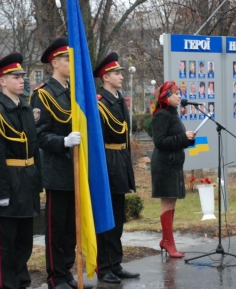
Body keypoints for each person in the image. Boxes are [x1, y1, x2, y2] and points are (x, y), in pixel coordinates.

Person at [0, 52, 42, 289]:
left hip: (27, 180)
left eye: (22, 77)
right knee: (7, 242)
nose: (21, 80)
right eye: (15, 77)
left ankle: (22, 281)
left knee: (25, 240)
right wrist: (0, 192)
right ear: (2, 81)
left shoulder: (26, 109)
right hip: (8, 181)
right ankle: (9, 284)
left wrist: (38, 182)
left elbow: (34, 149)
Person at [29, 37, 82, 289]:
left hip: (75, 169)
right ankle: (54, 276)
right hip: (56, 168)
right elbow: (39, 135)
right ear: (55, 63)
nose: (71, 63)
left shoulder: (73, 92)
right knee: (56, 227)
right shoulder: (43, 94)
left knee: (71, 227)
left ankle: (67, 271)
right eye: (67, 59)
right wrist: (64, 142)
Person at [93, 52, 139, 283]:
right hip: (107, 161)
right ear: (105, 77)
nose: (121, 76)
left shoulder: (119, 99)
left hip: (120, 158)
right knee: (106, 218)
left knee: (118, 218)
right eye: (116, 73)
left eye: (120, 72)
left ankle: (116, 263)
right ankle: (104, 266)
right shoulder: (98, 102)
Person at [150, 80, 195, 259]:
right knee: (167, 201)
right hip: (164, 165)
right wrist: (183, 137)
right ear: (167, 97)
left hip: (174, 163)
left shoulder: (173, 113)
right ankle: (169, 242)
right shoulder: (162, 115)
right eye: (176, 94)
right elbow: (160, 141)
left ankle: (166, 239)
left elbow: (176, 139)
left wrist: (188, 138)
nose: (179, 96)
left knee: (172, 201)